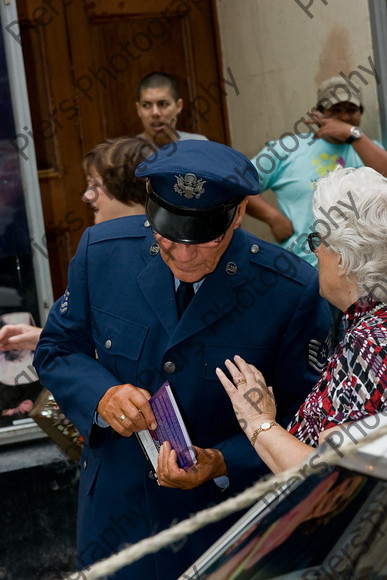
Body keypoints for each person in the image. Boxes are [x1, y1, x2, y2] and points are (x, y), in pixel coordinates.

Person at [33, 140, 331, 579]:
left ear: (238, 214)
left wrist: (222, 460)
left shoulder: (289, 289)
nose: (184, 254)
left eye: (204, 238)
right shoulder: (102, 253)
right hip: (118, 522)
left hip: (223, 528)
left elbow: (304, 415)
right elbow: (57, 348)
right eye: (168, 236)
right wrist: (103, 395)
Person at [216, 166, 387, 474]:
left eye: (318, 239)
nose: (316, 251)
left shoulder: (371, 341)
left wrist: (259, 421)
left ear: (344, 257)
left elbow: (332, 477)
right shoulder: (369, 324)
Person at [0, 136, 153, 353]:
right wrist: (44, 337)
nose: (86, 196)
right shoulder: (97, 254)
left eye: (95, 184)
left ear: (129, 190)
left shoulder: (176, 256)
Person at [247, 76, 387, 268]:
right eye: (336, 110)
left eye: (351, 110)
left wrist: (353, 135)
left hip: (359, 272)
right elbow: (237, 184)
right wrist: (272, 217)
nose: (345, 117)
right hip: (301, 269)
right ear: (319, 113)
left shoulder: (368, 149)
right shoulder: (288, 149)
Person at [136, 71, 208, 147]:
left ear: (178, 106)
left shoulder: (200, 145)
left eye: (163, 104)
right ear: (138, 109)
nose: (155, 113)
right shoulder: (126, 153)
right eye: (146, 105)